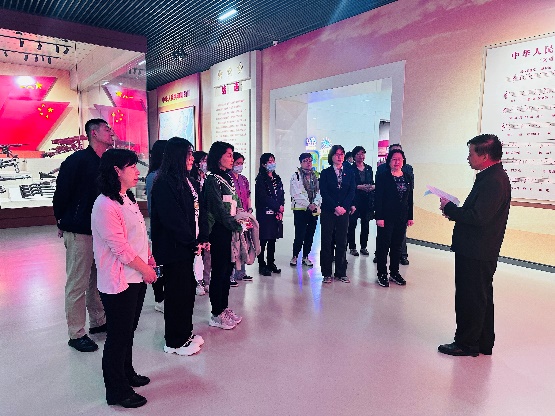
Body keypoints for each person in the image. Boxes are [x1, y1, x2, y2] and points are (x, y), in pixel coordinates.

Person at [91, 149, 157, 408]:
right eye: (132, 167)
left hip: (135, 276)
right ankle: (117, 391)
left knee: (128, 330)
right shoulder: (104, 205)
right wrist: (146, 269)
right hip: (119, 280)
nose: (137, 171)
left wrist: (149, 257)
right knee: (118, 336)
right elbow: (120, 248)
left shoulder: (126, 198)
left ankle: (126, 372)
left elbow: (139, 234)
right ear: (117, 171)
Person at [438, 134, 511, 357]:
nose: (468, 158)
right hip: (480, 249)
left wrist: (450, 209)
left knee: (470, 298)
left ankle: (466, 343)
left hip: (476, 250)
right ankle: (483, 342)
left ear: (485, 156)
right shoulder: (493, 176)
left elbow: (478, 217)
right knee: (481, 297)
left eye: (471, 154)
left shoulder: (493, 181)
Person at [53, 118, 110, 352]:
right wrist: (62, 220)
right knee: (77, 283)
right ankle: (76, 333)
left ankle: (98, 321)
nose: (111, 132)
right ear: (93, 133)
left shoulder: (105, 162)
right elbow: (61, 194)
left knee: (96, 280)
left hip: (100, 232)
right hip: (79, 230)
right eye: (106, 129)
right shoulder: (76, 161)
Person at [151, 137, 208, 355]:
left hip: (189, 246)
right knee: (176, 294)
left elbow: (199, 212)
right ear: (177, 156)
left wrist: (202, 237)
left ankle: (186, 333)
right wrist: (191, 241)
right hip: (174, 248)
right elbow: (172, 219)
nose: (192, 158)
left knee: (187, 293)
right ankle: (174, 341)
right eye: (188, 154)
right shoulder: (164, 183)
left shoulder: (188, 180)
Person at [204, 141, 244, 329]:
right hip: (219, 231)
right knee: (219, 271)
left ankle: (224, 307)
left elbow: (235, 202)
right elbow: (218, 209)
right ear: (218, 157)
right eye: (228, 155)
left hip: (230, 229)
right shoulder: (212, 179)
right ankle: (216, 313)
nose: (232, 159)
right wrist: (235, 224)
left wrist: (242, 217)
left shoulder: (227, 178)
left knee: (228, 270)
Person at [374, 149, 414, 287]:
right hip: (386, 217)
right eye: (394, 159)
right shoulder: (383, 176)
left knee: (397, 246)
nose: (397, 162)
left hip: (401, 217)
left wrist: (410, 216)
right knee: (383, 246)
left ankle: (394, 272)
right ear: (389, 161)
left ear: (403, 161)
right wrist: (379, 217)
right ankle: (382, 273)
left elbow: (410, 198)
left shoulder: (407, 177)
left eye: (400, 159)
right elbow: (378, 198)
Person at [319, 145, 356, 283]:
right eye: (337, 154)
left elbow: (351, 191)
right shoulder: (325, 173)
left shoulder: (349, 172)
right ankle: (326, 273)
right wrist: (335, 206)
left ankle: (341, 272)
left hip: (344, 212)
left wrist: (344, 207)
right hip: (329, 211)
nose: (339, 157)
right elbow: (324, 192)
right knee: (327, 241)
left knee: (342, 241)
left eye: (342, 154)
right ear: (331, 156)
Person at [145, 140, 167, 312]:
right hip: (160, 229)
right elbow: (155, 208)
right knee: (159, 264)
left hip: (167, 229)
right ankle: (160, 298)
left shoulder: (164, 175)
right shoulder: (154, 176)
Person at [255, 153, 285, 276]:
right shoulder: (260, 179)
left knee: (272, 238)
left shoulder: (277, 178)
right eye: (269, 161)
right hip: (264, 214)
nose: (272, 163)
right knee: (263, 240)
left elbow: (281, 194)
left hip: (275, 214)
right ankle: (262, 265)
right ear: (263, 164)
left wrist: (280, 209)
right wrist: (277, 206)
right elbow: (263, 197)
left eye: (273, 160)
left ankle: (271, 263)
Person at [289, 152, 321, 267]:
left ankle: (306, 256)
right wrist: (308, 204)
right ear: (301, 163)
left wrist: (315, 203)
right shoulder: (296, 176)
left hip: (314, 210)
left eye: (310, 160)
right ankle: (295, 256)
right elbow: (295, 193)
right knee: (300, 234)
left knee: (310, 234)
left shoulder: (316, 175)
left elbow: (320, 192)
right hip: (300, 209)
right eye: (305, 161)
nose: (308, 163)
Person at [229, 152, 253, 284]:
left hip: (245, 216)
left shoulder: (244, 179)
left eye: (241, 163)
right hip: (234, 216)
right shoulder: (228, 179)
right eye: (237, 163)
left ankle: (241, 272)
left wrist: (249, 210)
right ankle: (231, 274)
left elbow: (248, 196)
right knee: (234, 245)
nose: (240, 165)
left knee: (245, 243)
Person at [347, 146, 375, 257]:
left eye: (362, 153)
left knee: (365, 224)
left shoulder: (369, 168)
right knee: (352, 224)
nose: (361, 156)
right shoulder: (350, 169)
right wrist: (359, 187)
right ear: (354, 156)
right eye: (358, 154)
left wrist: (372, 186)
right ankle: (352, 247)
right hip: (354, 200)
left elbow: (372, 181)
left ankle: (364, 246)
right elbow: (348, 185)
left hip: (367, 200)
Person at [191, 150, 210, 295]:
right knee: (197, 255)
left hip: (205, 220)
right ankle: (197, 282)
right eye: (204, 160)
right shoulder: (192, 180)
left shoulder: (207, 179)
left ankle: (205, 280)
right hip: (195, 222)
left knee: (206, 255)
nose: (206, 163)